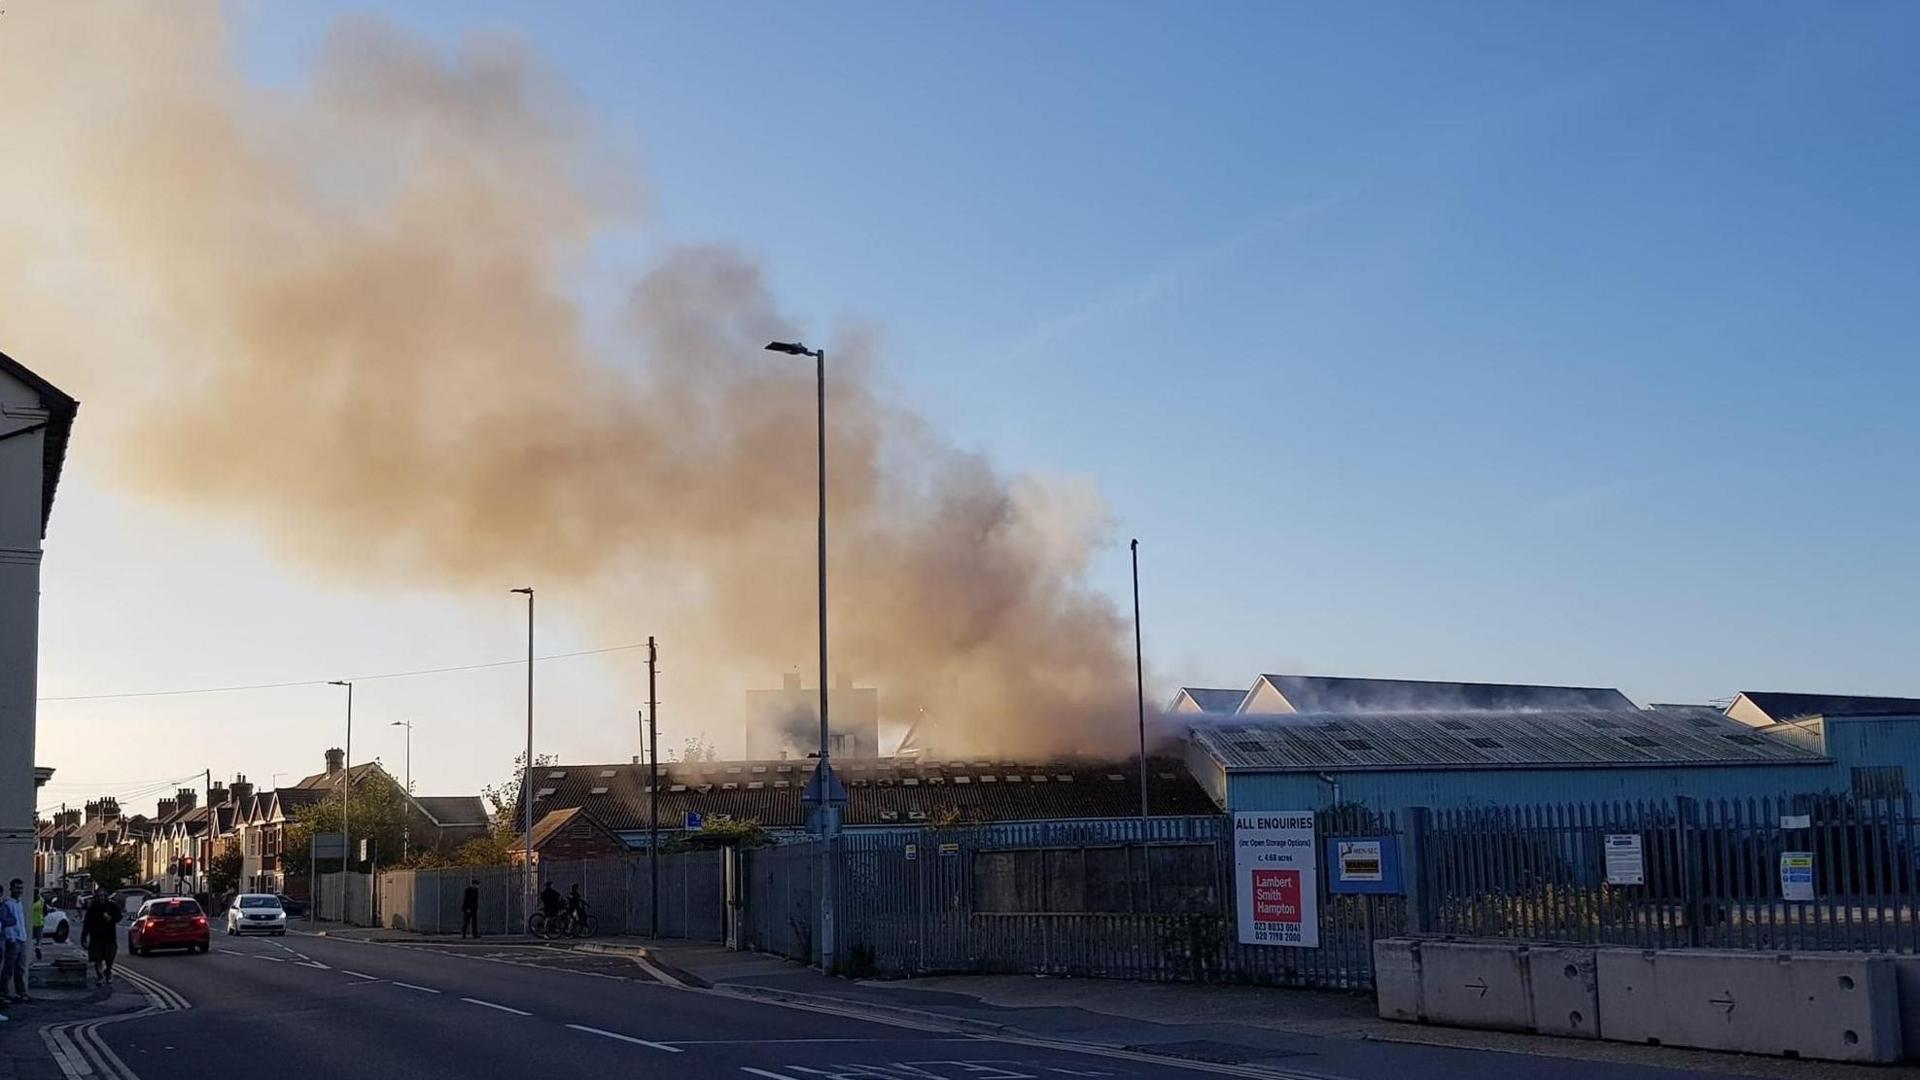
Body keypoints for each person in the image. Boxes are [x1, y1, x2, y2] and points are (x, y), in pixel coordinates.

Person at [80, 890, 122, 988]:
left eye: (103, 896)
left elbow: (119, 917)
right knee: (97, 958)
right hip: (96, 938)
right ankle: (99, 976)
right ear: (96, 897)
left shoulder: (111, 906)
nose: (101, 898)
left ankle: (108, 971)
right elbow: (87, 924)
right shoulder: (92, 909)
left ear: (106, 897)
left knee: (109, 958)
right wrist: (84, 938)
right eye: (99, 896)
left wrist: (111, 918)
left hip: (109, 937)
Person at [0, 879, 28, 1004]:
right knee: (9, 968)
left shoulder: (19, 903)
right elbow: (6, 922)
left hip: (22, 939)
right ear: (11, 889)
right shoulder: (7, 904)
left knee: (20, 968)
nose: (19, 891)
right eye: (17, 888)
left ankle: (21, 992)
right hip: (13, 940)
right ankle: (3, 993)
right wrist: (11, 938)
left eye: (21, 888)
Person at [29, 890, 45, 961]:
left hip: (31, 922)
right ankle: (38, 947)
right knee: (39, 938)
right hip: (39, 922)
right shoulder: (41, 901)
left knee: (30, 938)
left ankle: (31, 949)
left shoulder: (30, 902)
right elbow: (45, 910)